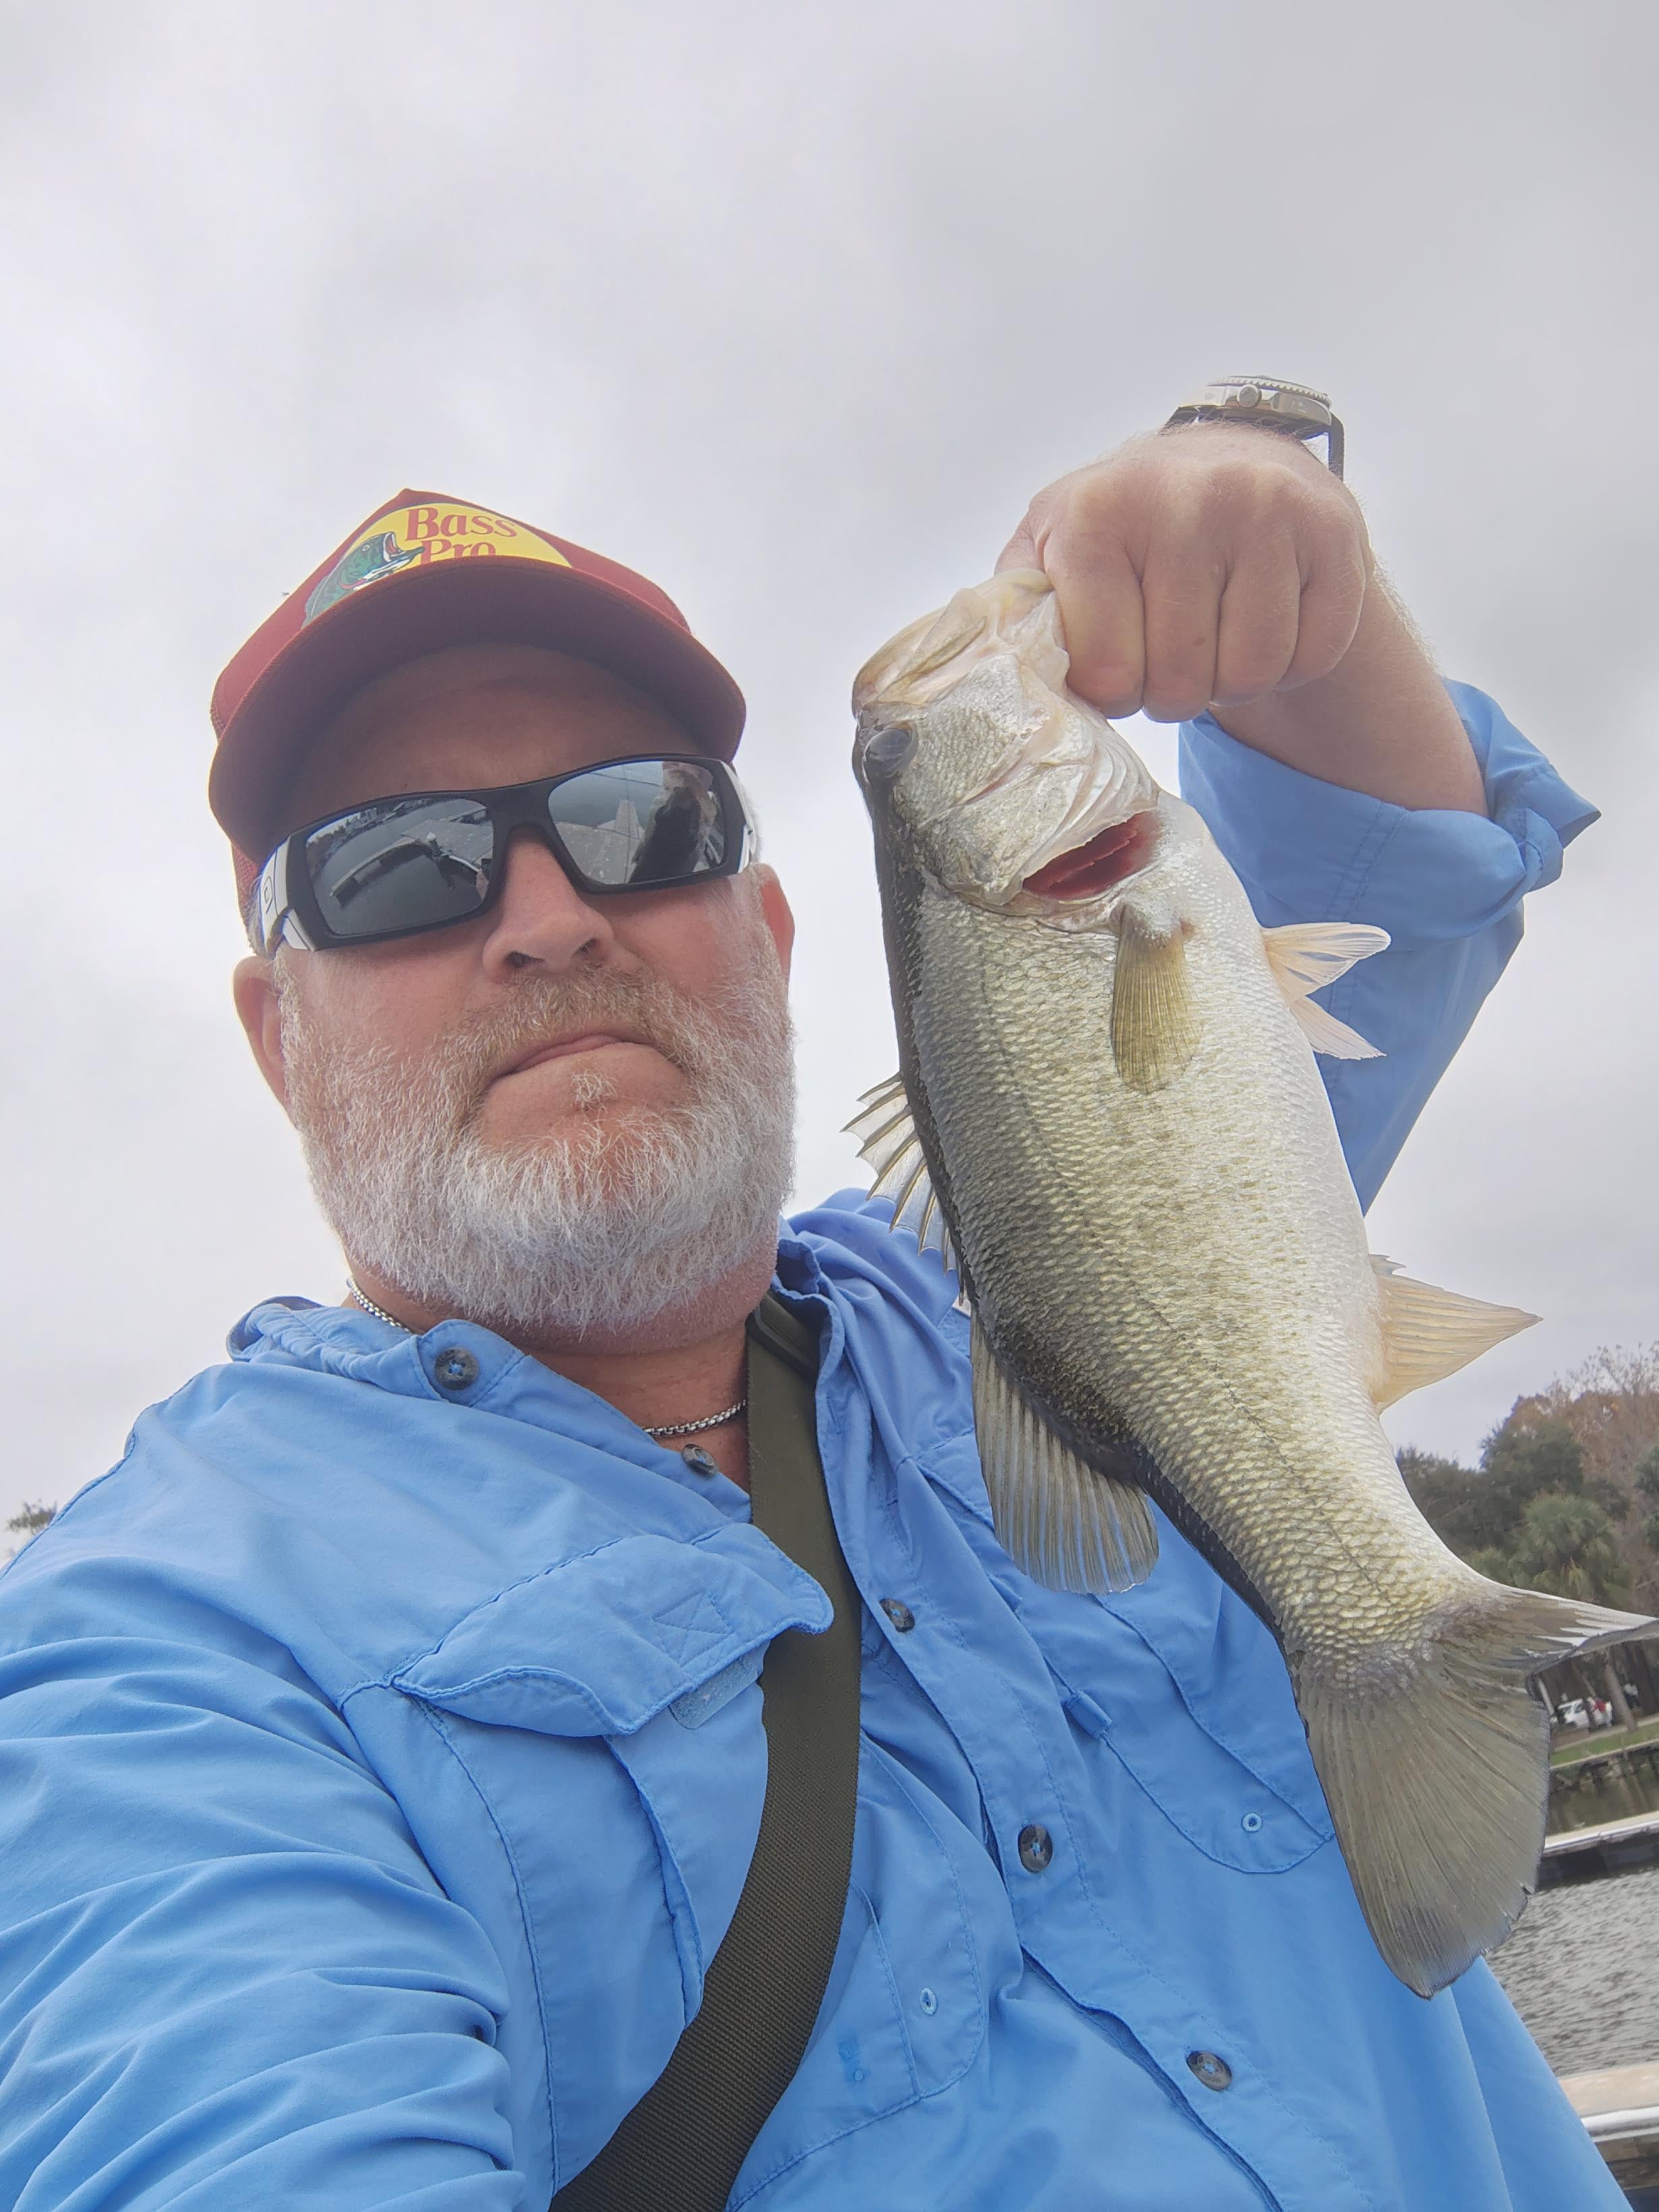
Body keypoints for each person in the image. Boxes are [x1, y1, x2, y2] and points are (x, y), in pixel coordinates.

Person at [0, 419, 1621, 2211]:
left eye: (640, 823)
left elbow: (1392, 855)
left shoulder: (1038, 1256)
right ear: (276, 1040)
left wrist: (1278, 546)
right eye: (394, 867)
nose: (548, 919)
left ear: (769, 936)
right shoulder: (159, 1664)